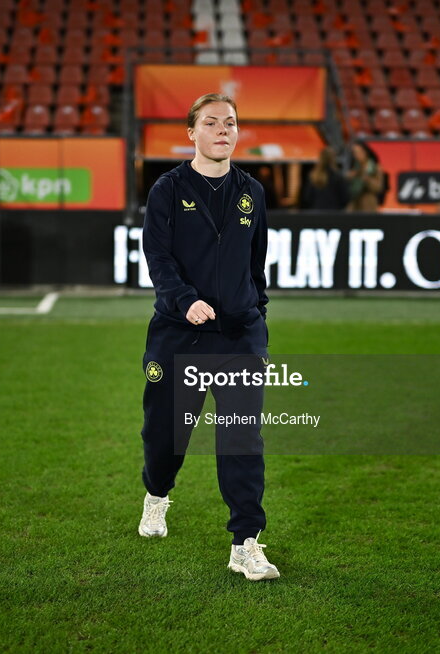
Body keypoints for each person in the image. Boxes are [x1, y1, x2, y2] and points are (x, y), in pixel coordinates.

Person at [138, 93, 279, 581]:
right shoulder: (167, 190)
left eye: (231, 123)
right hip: (180, 336)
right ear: (191, 133)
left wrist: (256, 312)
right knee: (166, 436)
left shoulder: (252, 192)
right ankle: (157, 495)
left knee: (242, 437)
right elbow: (158, 258)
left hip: (239, 337)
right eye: (212, 123)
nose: (224, 130)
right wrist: (184, 300)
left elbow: (256, 262)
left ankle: (245, 542)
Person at [345, 141, 385, 212]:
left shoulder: (374, 168)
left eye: (359, 152)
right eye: (354, 153)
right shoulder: (354, 167)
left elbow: (378, 187)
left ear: (365, 152)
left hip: (368, 207)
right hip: (354, 207)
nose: (356, 155)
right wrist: (349, 177)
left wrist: (366, 179)